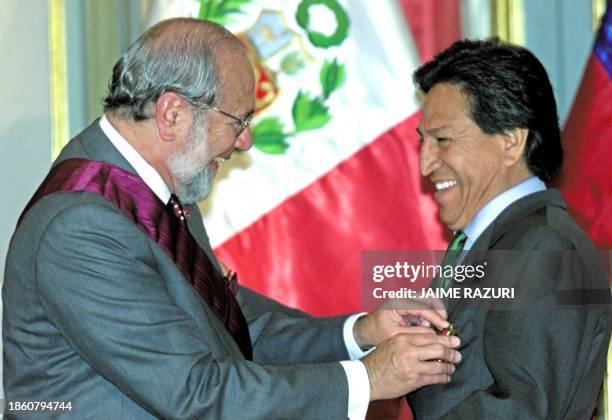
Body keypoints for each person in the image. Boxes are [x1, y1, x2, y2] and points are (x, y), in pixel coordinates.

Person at [2, 18, 462, 419]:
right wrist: (367, 380)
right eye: (238, 121)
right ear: (173, 114)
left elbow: (227, 325)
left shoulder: (154, 186)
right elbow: (197, 394)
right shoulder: (82, 228)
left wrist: (362, 332)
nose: (244, 142)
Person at [407, 38, 610, 418]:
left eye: (443, 140)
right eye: (424, 142)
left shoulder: (544, 249)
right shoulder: (503, 240)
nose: (425, 164)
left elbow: (519, 410)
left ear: (511, 141)